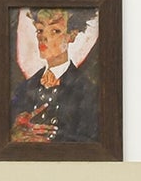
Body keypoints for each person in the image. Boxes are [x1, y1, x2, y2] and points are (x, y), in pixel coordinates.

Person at [11, 8, 99, 144]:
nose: (43, 37)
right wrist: (14, 134)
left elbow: (92, 141)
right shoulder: (24, 88)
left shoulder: (86, 90)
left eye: (55, 31)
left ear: (71, 36)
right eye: (40, 30)